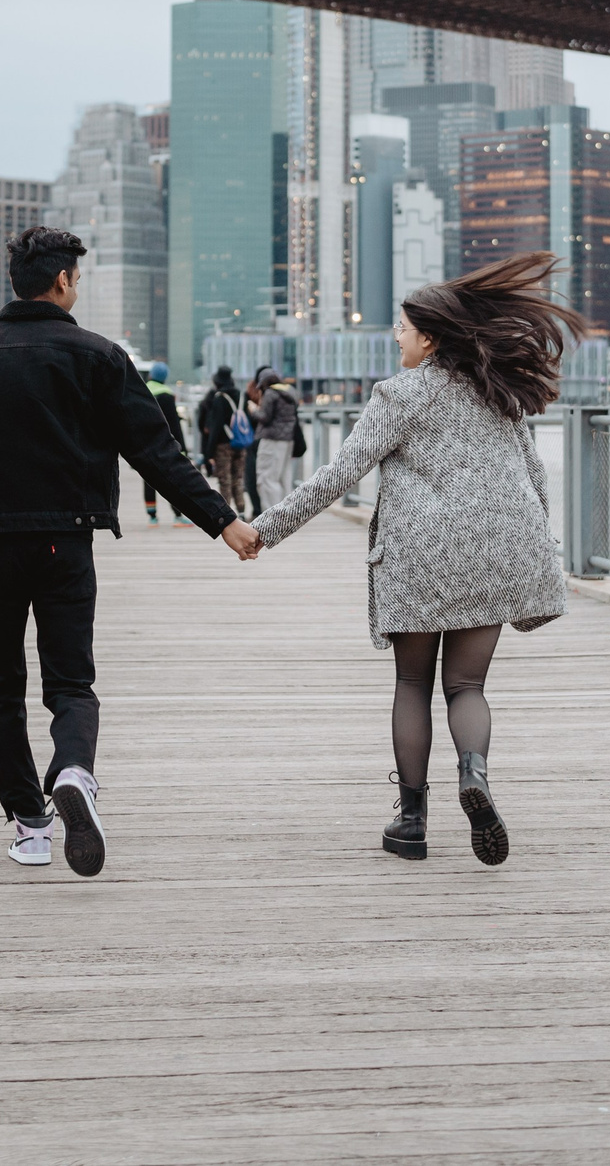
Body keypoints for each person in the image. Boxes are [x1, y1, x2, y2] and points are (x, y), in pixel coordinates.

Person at [0, 227, 263, 877]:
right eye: (76, 279)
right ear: (62, 282)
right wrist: (222, 521)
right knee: (71, 682)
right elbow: (156, 450)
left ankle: (29, 825)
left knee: (2, 687)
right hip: (65, 541)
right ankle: (74, 770)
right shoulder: (99, 356)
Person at [237, 252, 584, 866]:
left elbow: (338, 474)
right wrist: (537, 544)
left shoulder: (399, 394)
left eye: (401, 329)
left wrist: (266, 529)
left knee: (411, 683)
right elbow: (534, 476)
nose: (395, 337)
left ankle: (413, 821)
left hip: (420, 554)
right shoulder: (494, 389)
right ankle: (474, 776)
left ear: (429, 337)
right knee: (468, 685)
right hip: (497, 549)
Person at [195, 364, 249, 515]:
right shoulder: (241, 396)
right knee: (238, 478)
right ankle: (242, 510)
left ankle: (227, 514)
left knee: (225, 480)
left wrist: (209, 452)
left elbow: (216, 427)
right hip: (239, 443)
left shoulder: (219, 398)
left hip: (223, 445)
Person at [247, 365, 301, 511]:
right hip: (288, 440)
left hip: (271, 440)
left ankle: (272, 513)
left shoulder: (271, 394)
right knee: (284, 477)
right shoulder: (290, 392)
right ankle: (287, 512)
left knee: (266, 478)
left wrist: (253, 410)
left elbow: (265, 417)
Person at [142, 362, 185, 526]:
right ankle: (177, 515)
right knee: (173, 479)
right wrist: (182, 447)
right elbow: (174, 424)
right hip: (164, 444)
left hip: (145, 444)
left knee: (148, 479)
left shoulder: (142, 391)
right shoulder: (167, 395)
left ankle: (152, 517)